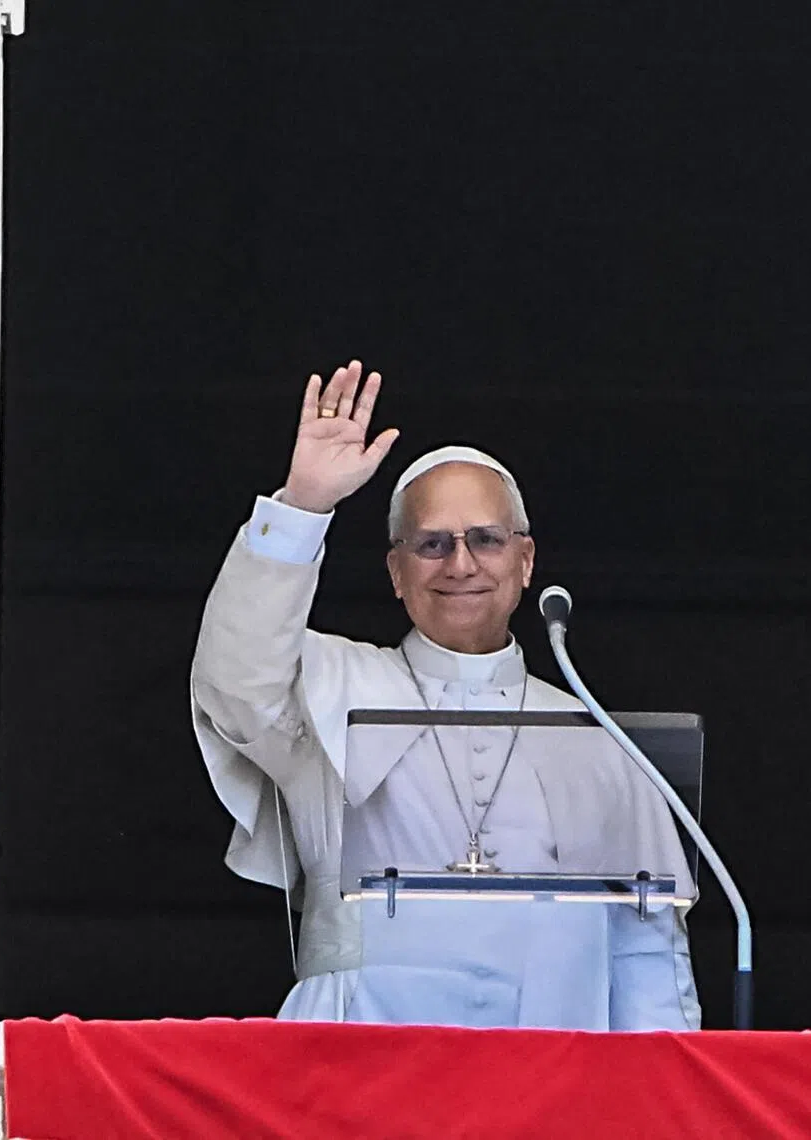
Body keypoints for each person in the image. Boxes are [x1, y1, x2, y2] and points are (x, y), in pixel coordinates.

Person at [191, 360, 701, 1029]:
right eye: (432, 544)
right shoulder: (327, 688)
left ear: (525, 562)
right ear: (397, 574)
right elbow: (236, 676)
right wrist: (303, 505)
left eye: (485, 540)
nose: (460, 564)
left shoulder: (592, 735)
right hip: (360, 1056)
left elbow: (646, 954)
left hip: (547, 1063)